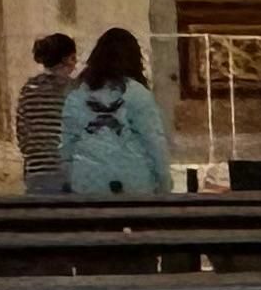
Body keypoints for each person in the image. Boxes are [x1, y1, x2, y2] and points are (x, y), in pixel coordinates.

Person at [58, 27, 174, 197]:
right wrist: (164, 181)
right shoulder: (137, 93)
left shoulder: (77, 95)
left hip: (88, 181)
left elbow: (67, 144)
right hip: (134, 180)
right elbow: (153, 141)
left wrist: (69, 177)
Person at [13, 30, 78, 195]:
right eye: (73, 58)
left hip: (36, 172)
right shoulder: (74, 90)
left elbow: (23, 133)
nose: (75, 63)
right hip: (68, 172)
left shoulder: (29, 89)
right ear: (66, 60)